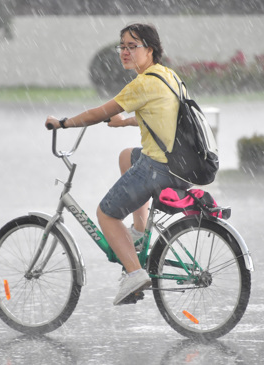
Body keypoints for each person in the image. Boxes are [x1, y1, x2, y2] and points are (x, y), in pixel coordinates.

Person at [45, 23, 190, 305]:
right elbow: (161, 115)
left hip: (156, 168)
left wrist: (62, 123)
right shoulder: (167, 77)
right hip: (178, 164)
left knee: (107, 214)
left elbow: (100, 112)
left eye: (132, 46)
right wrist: (125, 122)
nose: (124, 52)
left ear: (150, 50)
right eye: (121, 46)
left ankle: (135, 274)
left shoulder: (143, 83)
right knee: (126, 155)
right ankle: (137, 232)